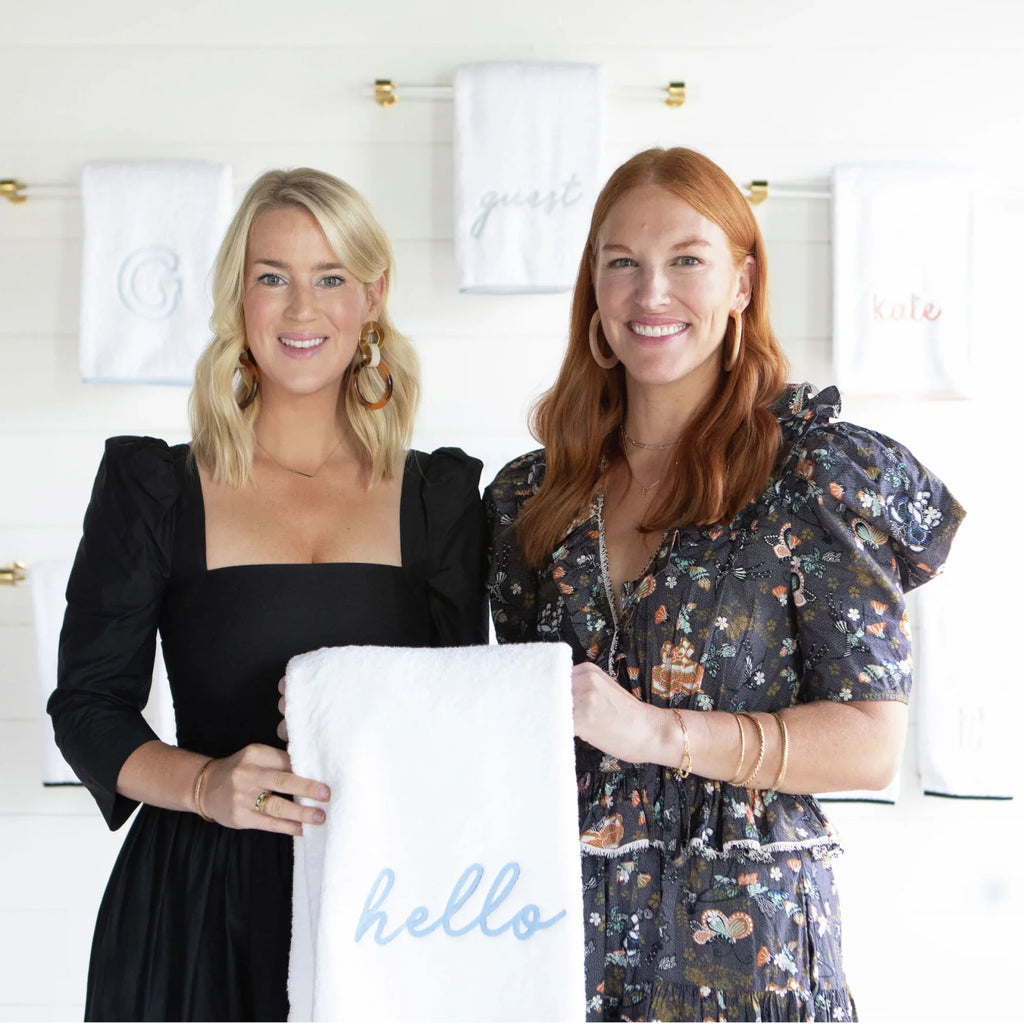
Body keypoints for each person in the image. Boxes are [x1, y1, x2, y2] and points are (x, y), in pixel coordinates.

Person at [485, 147, 963, 1021]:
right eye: (621, 262)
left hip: (750, 959)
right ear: (593, 284)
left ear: (742, 283)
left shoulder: (814, 474)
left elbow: (869, 743)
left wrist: (658, 732)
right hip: (554, 942)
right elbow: (512, 717)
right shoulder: (531, 494)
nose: (650, 293)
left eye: (687, 261)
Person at [48, 168, 488, 1021]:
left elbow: (459, 714)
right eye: (271, 277)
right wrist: (207, 783)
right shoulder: (156, 489)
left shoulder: (438, 500)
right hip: (194, 910)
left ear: (372, 297)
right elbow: (88, 708)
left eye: (330, 278)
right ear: (237, 299)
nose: (300, 308)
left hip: (387, 903)